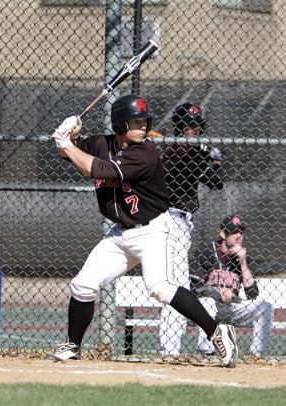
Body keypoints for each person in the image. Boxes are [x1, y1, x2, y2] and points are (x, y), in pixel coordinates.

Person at [46, 94, 238, 368]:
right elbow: (72, 154)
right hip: (121, 232)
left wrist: (66, 143)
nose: (143, 127)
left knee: (160, 288)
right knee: (83, 285)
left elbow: (96, 169)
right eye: (136, 122)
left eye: (144, 121)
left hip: (153, 231)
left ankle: (217, 332)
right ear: (120, 125)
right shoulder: (101, 142)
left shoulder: (145, 153)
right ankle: (73, 345)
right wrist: (64, 138)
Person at [159, 102, 224, 356]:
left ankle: (171, 350)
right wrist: (216, 159)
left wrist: (205, 153)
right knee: (176, 287)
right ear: (179, 128)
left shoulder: (182, 150)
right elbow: (216, 182)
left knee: (178, 286)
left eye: (198, 126)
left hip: (179, 222)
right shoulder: (182, 152)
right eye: (189, 127)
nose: (195, 131)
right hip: (173, 220)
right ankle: (169, 351)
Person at [191, 215, 274, 358]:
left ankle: (256, 355)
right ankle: (206, 352)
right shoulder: (207, 251)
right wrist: (216, 291)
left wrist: (242, 263)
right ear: (223, 234)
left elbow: (252, 294)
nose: (238, 236)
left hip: (231, 307)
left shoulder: (244, 256)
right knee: (208, 302)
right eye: (233, 232)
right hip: (206, 308)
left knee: (266, 307)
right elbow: (194, 285)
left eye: (241, 232)